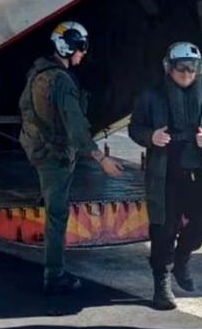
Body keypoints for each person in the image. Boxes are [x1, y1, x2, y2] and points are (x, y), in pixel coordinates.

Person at [129, 42, 202, 310]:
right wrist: (150, 136)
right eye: (181, 68)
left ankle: (181, 258)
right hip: (164, 173)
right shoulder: (152, 95)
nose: (187, 74)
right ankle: (162, 283)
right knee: (163, 229)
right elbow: (136, 127)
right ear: (169, 67)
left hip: (198, 172)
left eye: (193, 69)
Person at [19, 21, 124, 294]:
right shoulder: (61, 81)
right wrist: (101, 159)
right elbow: (76, 126)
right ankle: (54, 275)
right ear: (67, 47)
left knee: (53, 206)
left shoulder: (38, 73)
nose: (83, 54)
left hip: (40, 151)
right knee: (57, 215)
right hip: (55, 157)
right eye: (81, 48)